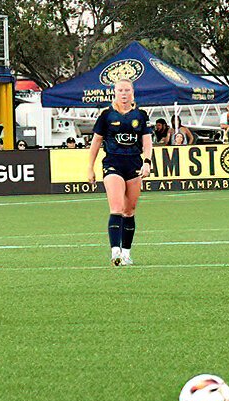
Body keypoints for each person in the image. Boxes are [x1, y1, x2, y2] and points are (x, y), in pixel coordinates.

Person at [84, 79, 153, 267]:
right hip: (113, 163)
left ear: (133, 92)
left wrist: (147, 162)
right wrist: (90, 167)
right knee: (116, 207)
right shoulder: (106, 115)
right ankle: (115, 251)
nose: (124, 93)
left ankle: (126, 253)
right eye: (120, 90)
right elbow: (96, 142)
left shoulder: (141, 115)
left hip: (134, 164)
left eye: (127, 90)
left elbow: (147, 142)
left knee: (129, 211)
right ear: (114, 93)